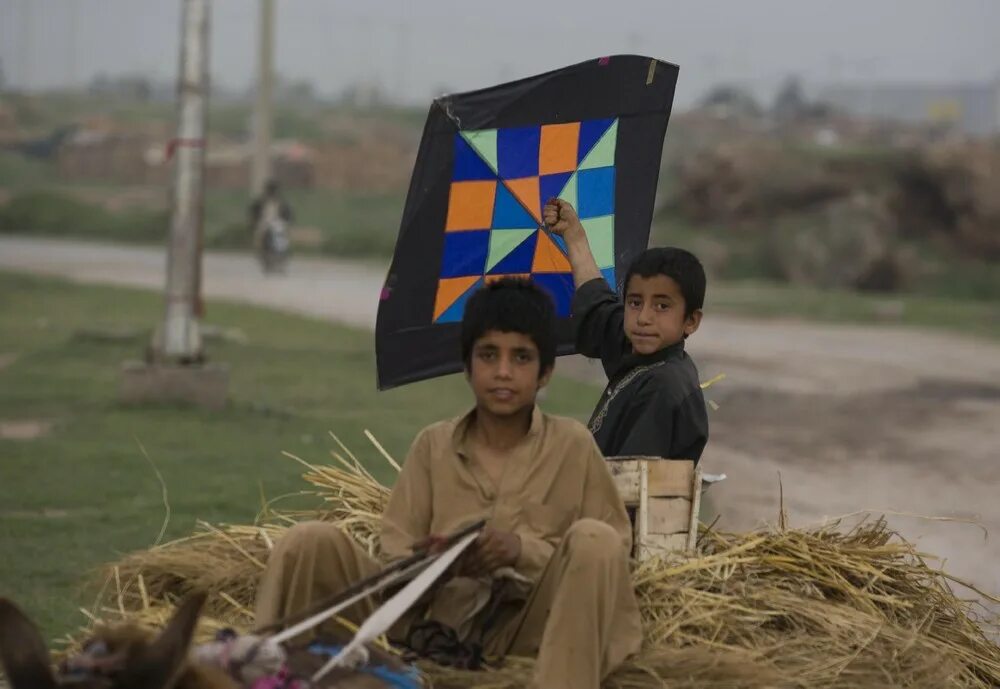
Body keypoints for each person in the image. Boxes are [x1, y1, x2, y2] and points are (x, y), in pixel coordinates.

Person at [254, 278, 642, 689]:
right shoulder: (432, 445)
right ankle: (260, 669)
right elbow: (396, 557)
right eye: (488, 355)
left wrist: (520, 550)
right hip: (430, 624)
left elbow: (614, 549)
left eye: (521, 357)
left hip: (528, 630)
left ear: (545, 372)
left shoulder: (572, 445)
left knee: (595, 538)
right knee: (308, 541)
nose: (503, 372)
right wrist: (439, 565)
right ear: (466, 365)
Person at [543, 198, 709, 462]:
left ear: (691, 321)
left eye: (662, 306)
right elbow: (599, 309)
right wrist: (574, 238)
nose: (643, 317)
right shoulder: (644, 352)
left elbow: (630, 479)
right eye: (635, 302)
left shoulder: (663, 387)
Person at [249, 179, 294, 252]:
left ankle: (281, 249)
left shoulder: (281, 202)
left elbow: (287, 213)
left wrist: (287, 220)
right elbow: (254, 212)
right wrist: (254, 221)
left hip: (277, 223)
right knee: (260, 234)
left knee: (281, 234)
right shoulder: (261, 201)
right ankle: (263, 249)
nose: (272, 193)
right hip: (265, 223)